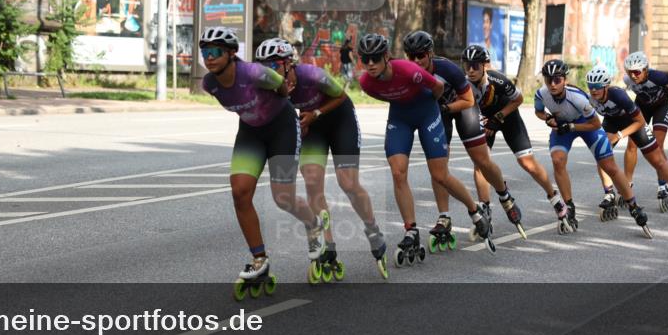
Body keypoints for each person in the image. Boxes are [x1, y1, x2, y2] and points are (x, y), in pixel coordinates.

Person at [199, 26, 326, 300]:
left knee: (283, 197)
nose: (209, 58)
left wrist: (282, 97)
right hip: (251, 133)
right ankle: (260, 260)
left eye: (215, 52)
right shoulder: (209, 83)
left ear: (232, 53)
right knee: (240, 192)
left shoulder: (254, 73)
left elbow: (283, 87)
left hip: (282, 129)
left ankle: (314, 224)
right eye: (205, 52)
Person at [255, 38, 389, 280]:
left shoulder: (310, 75)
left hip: (340, 120)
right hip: (312, 126)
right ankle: (329, 246)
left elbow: (340, 96)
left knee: (347, 183)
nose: (268, 72)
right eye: (263, 67)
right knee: (312, 179)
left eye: (273, 65)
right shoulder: (271, 89)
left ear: (288, 64)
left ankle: (372, 229)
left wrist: (316, 113)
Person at [356, 33, 494, 261]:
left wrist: (434, 106)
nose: (370, 64)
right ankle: (410, 230)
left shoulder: (410, 70)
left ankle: (474, 210)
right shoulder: (365, 83)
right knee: (398, 172)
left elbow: (438, 88)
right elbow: (385, 94)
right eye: (365, 59)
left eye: (375, 58)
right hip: (400, 119)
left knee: (440, 175)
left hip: (428, 113)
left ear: (387, 56)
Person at [402, 31, 525, 242]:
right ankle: (444, 217)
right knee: (438, 167)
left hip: (463, 107)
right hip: (441, 113)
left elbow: (468, 101)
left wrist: (447, 108)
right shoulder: (408, 72)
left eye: (420, 55)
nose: (415, 61)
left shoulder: (447, 69)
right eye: (410, 56)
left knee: (482, 160)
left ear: (430, 53)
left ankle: (505, 195)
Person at [534, 59, 652, 238]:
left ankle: (633, 206)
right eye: (548, 79)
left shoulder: (578, 98)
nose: (552, 84)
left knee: (610, 166)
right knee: (557, 161)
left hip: (586, 124)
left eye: (557, 79)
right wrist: (548, 118)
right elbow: (539, 111)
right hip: (563, 126)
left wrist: (572, 127)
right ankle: (569, 206)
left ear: (564, 80)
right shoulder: (541, 94)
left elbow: (596, 124)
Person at [461, 44, 571, 231]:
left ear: (485, 66)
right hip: (487, 121)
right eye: (467, 66)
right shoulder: (464, 85)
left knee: (527, 163)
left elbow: (518, 100)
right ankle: (485, 207)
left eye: (475, 66)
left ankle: (555, 198)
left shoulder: (498, 80)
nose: (471, 70)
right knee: (480, 163)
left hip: (508, 117)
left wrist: (499, 117)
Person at [584, 66, 668, 225]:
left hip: (634, 122)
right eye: (590, 87)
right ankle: (609, 193)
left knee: (658, 160)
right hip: (612, 121)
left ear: (606, 86)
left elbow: (640, 122)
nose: (594, 91)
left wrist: (619, 135)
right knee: (601, 152)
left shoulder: (618, 95)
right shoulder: (590, 99)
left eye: (597, 87)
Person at [622, 51, 668, 206]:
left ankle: (662, 184)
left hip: (661, 106)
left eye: (637, 72)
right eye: (630, 72)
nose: (633, 76)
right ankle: (627, 183)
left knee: (657, 145)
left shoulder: (657, 77)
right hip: (643, 107)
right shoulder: (627, 79)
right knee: (632, 145)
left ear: (646, 70)